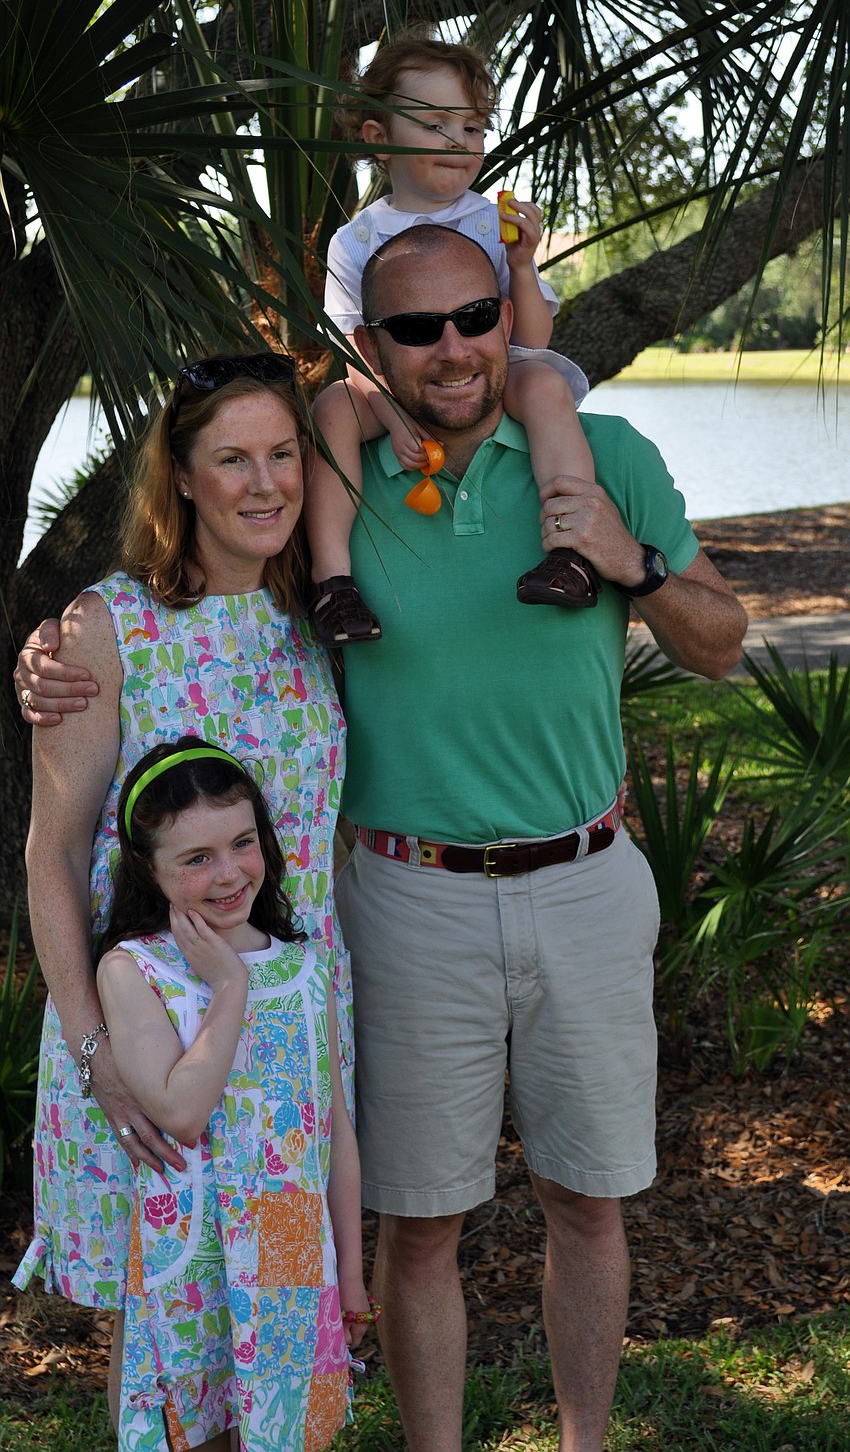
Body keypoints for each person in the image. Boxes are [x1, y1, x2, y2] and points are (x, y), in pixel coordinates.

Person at [16, 227, 749, 1452]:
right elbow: (53, 849)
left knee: (346, 1292)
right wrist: (46, 647)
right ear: (371, 350)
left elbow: (719, 638)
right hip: (201, 1002)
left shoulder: (333, 591)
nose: (451, 344)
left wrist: (630, 559)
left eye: (475, 314)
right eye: (414, 327)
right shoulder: (192, 592)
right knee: (185, 1326)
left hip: (352, 992)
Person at [12, 352, 352, 1431]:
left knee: (283, 1317)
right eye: (232, 458)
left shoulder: (325, 612)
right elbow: (52, 855)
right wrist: (91, 1054)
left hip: (292, 1032)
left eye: (284, 454)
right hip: (143, 1039)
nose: (265, 484)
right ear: (184, 478)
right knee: (164, 1334)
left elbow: (414, 385)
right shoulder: (108, 628)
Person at [93, 736, 370, 1451]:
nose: (228, 875)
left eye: (242, 843)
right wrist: (229, 986)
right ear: (148, 872)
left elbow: (334, 1132)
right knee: (197, 1429)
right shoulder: (135, 971)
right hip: (189, 1254)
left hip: (288, 1253)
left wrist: (351, 1272)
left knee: (279, 1428)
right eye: (196, 859)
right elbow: (180, 1112)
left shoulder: (306, 969)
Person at [307, 30, 601, 646]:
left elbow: (533, 337)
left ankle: (570, 550)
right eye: (437, 124)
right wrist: (390, 414)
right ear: (377, 138)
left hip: (490, 373)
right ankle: (334, 581)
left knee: (544, 383)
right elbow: (351, 352)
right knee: (334, 407)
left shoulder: (491, 221)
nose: (459, 142)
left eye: (472, 128)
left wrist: (521, 265)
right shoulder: (354, 243)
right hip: (391, 381)